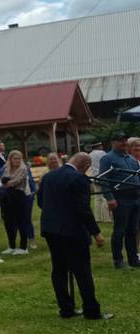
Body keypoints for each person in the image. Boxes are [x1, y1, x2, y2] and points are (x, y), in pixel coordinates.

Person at [38, 152, 111, 320]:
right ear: (86, 166)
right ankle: (91, 311)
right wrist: (96, 232)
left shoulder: (49, 176)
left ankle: (66, 309)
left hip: (51, 230)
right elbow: (83, 209)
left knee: (59, 270)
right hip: (72, 232)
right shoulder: (79, 179)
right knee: (82, 271)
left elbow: (41, 202)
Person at [98, 133, 140, 269]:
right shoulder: (108, 158)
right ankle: (118, 260)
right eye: (120, 141)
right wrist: (110, 198)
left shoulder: (131, 158)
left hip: (135, 199)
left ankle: (133, 258)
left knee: (132, 231)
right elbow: (103, 180)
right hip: (121, 199)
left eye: (125, 140)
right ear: (113, 142)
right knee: (120, 231)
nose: (124, 143)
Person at [0, 150, 33, 255]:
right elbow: (2, 181)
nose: (17, 160)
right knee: (9, 222)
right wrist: (6, 182)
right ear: (10, 159)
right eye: (15, 158)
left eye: (19, 158)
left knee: (21, 221)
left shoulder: (24, 169)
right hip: (7, 198)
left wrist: (6, 182)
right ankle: (12, 246)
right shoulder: (6, 168)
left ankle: (23, 247)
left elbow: (14, 182)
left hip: (20, 197)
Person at [87, 143, 110, 223]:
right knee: (105, 198)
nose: (102, 146)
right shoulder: (103, 153)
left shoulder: (89, 155)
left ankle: (97, 218)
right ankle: (107, 219)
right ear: (98, 146)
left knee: (97, 198)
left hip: (94, 177)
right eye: (101, 145)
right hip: (103, 176)